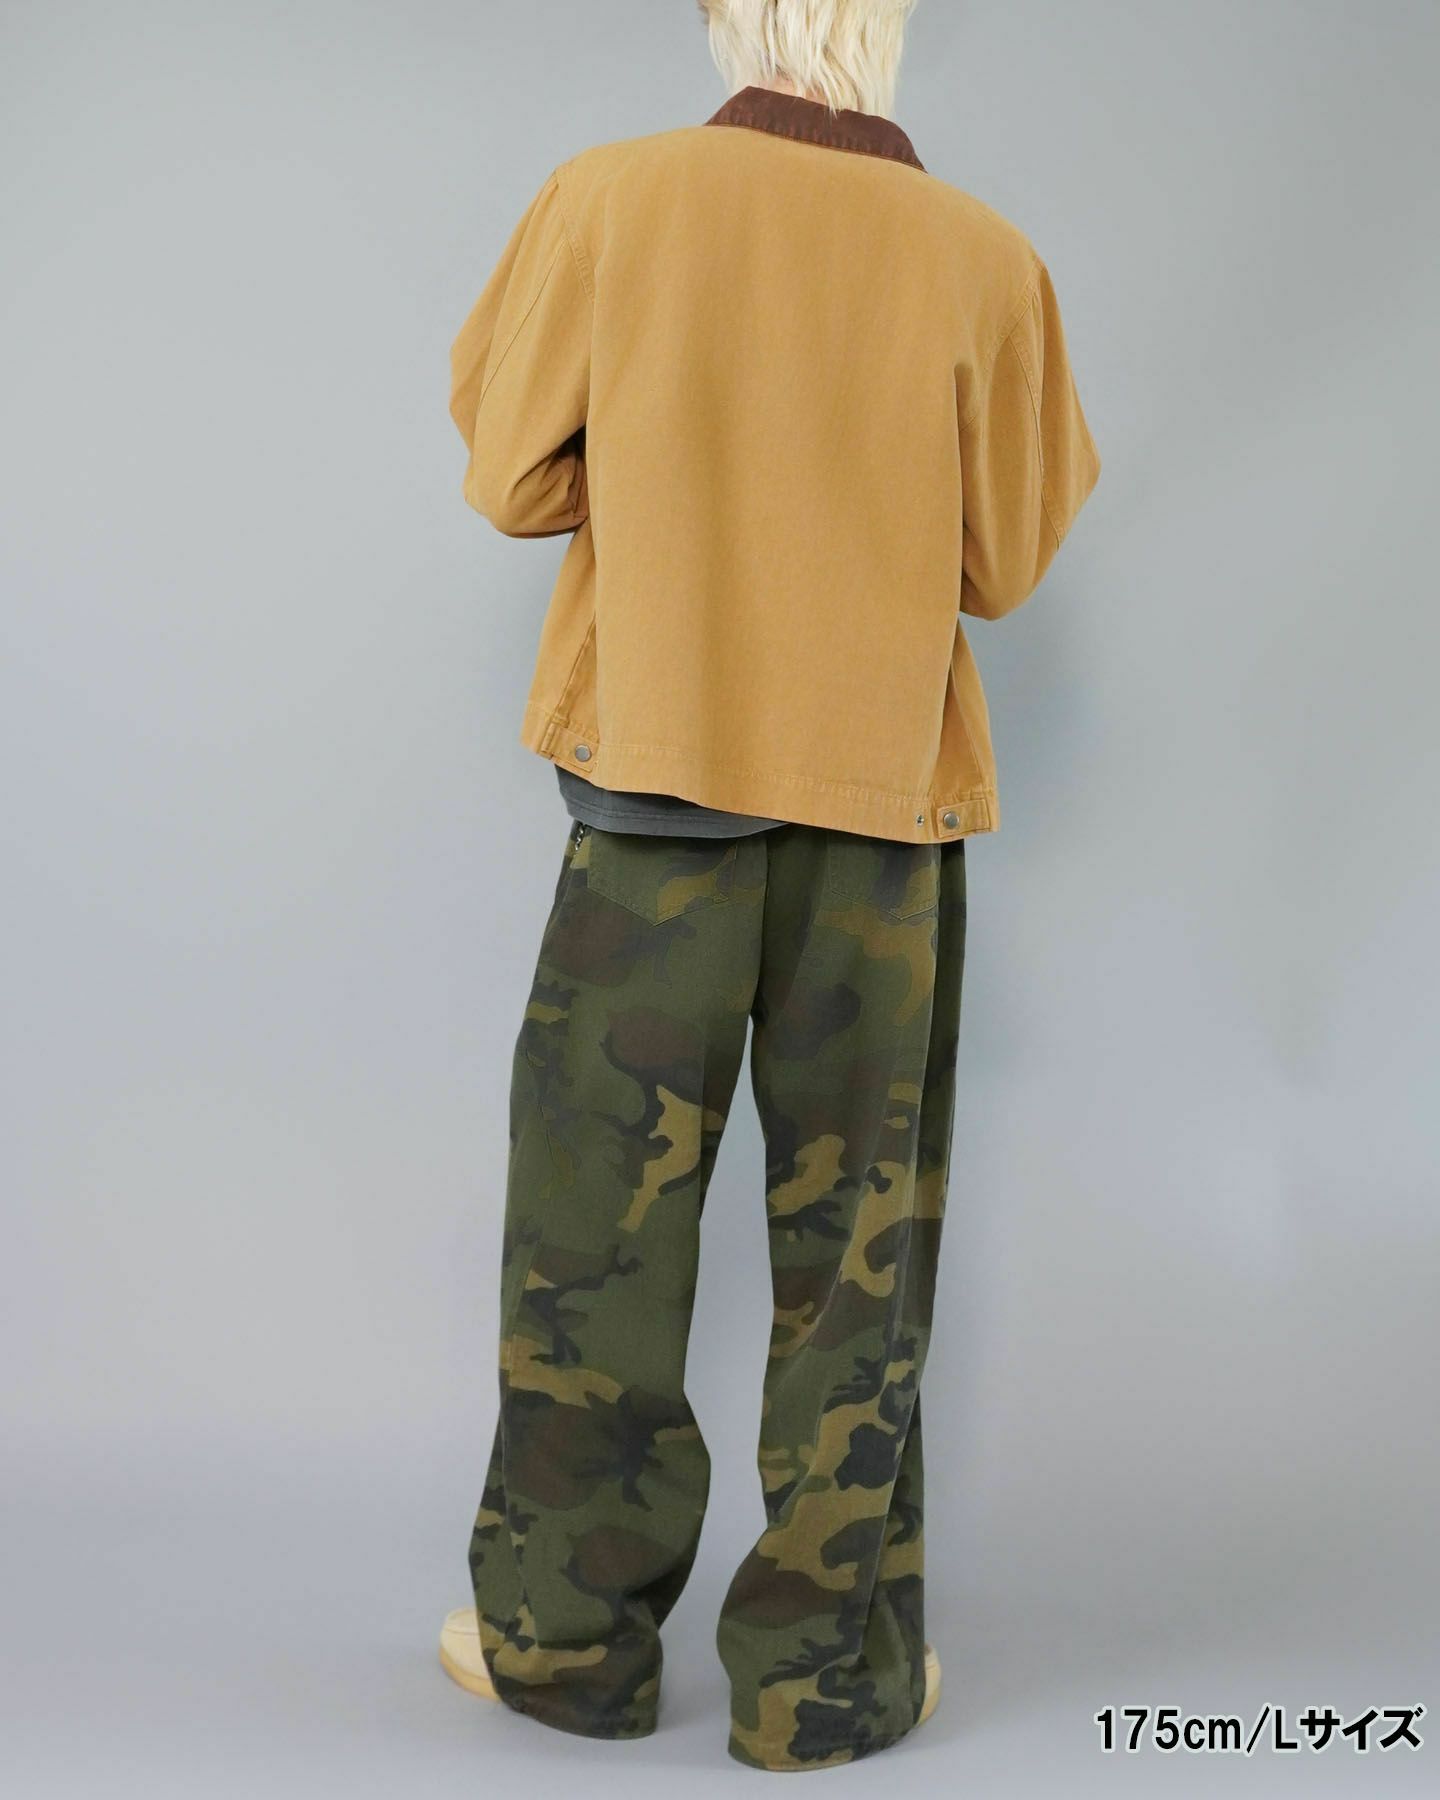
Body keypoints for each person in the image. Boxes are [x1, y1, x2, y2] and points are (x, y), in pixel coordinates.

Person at [438, 0, 1100, 1772]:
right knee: (857, 1259)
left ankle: (562, 1646)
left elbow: (509, 476)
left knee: (590, 1239)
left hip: (653, 784)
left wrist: (669, 478)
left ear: (731, 16)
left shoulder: (609, 198)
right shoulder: (985, 258)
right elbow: (1005, 560)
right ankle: (826, 1683)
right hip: (877, 811)